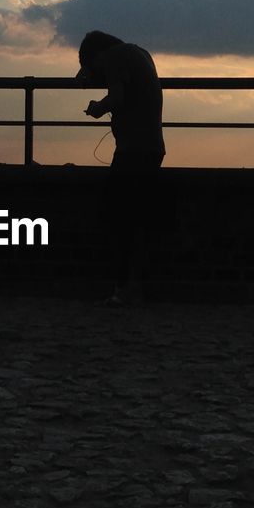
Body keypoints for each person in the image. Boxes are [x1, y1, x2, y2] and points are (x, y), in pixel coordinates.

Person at [77, 30, 165, 306]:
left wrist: (97, 108)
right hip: (151, 147)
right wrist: (91, 76)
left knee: (120, 220)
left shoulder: (115, 59)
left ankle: (125, 287)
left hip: (133, 150)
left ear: (97, 56)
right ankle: (136, 286)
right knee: (138, 219)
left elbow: (117, 96)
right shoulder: (138, 53)